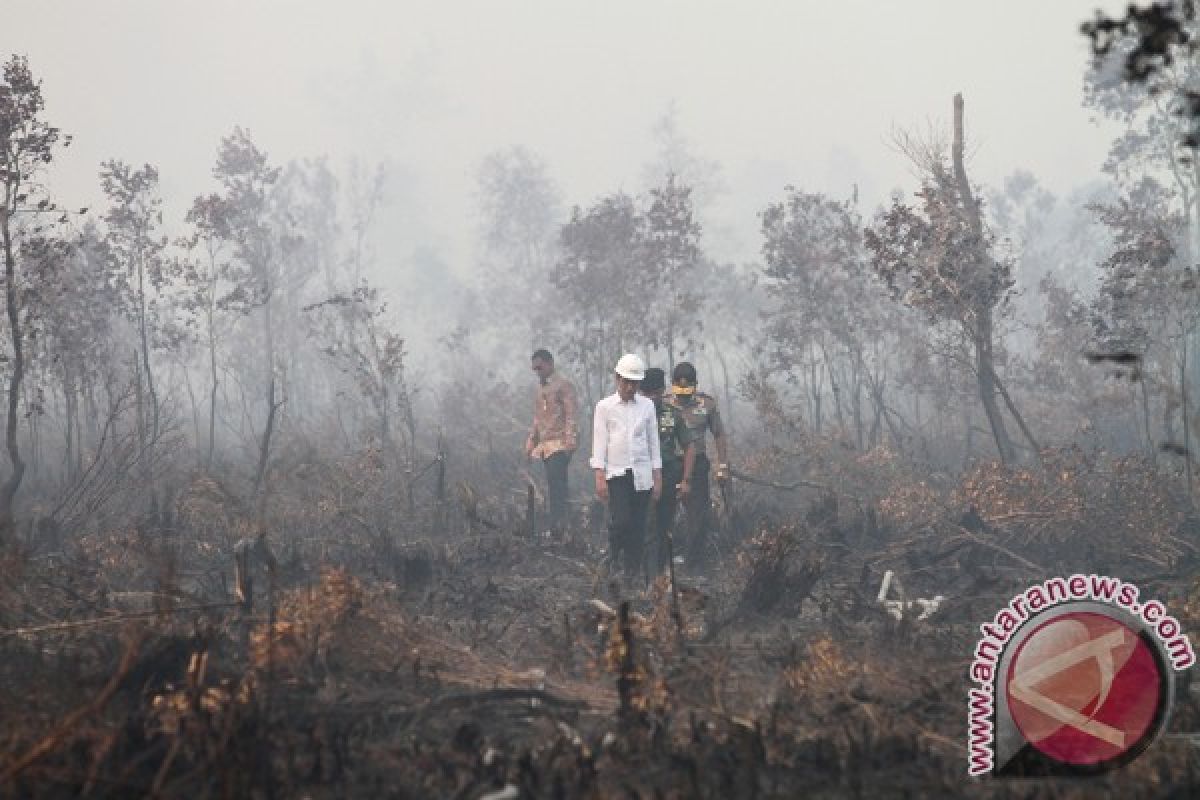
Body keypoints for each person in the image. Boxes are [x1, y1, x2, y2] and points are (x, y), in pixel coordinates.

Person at [589, 354, 661, 578]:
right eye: (626, 382)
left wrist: (657, 476)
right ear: (617, 379)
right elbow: (599, 443)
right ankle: (612, 553)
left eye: (635, 383)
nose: (630, 387)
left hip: (641, 475)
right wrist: (599, 476)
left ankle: (631, 571)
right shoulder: (604, 407)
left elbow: (653, 442)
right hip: (617, 474)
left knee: (639, 526)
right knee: (622, 521)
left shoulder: (647, 406)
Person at [666, 361, 730, 565]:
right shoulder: (663, 404)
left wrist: (722, 466)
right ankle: (664, 559)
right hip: (669, 464)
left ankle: (694, 562)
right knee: (665, 512)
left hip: (698, 466)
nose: (683, 394)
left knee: (698, 515)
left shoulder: (706, 404)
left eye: (688, 388)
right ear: (673, 384)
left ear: (695, 385)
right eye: (679, 388)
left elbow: (719, 434)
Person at [640, 368, 697, 575]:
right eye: (646, 393)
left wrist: (686, 480)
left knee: (663, 526)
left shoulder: (672, 415)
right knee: (644, 526)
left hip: (668, 474)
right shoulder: (632, 414)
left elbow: (689, 446)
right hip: (639, 477)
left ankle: (658, 575)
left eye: (655, 393)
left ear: (662, 391)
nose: (651, 398)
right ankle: (642, 573)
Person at [525, 349, 578, 534]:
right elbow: (537, 418)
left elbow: (571, 414)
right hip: (544, 446)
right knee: (551, 485)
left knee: (558, 486)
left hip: (559, 444)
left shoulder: (564, 385)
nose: (537, 371)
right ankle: (558, 525)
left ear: (550, 363)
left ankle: (560, 526)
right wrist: (532, 439)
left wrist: (570, 443)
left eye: (540, 367)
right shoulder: (540, 389)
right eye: (534, 368)